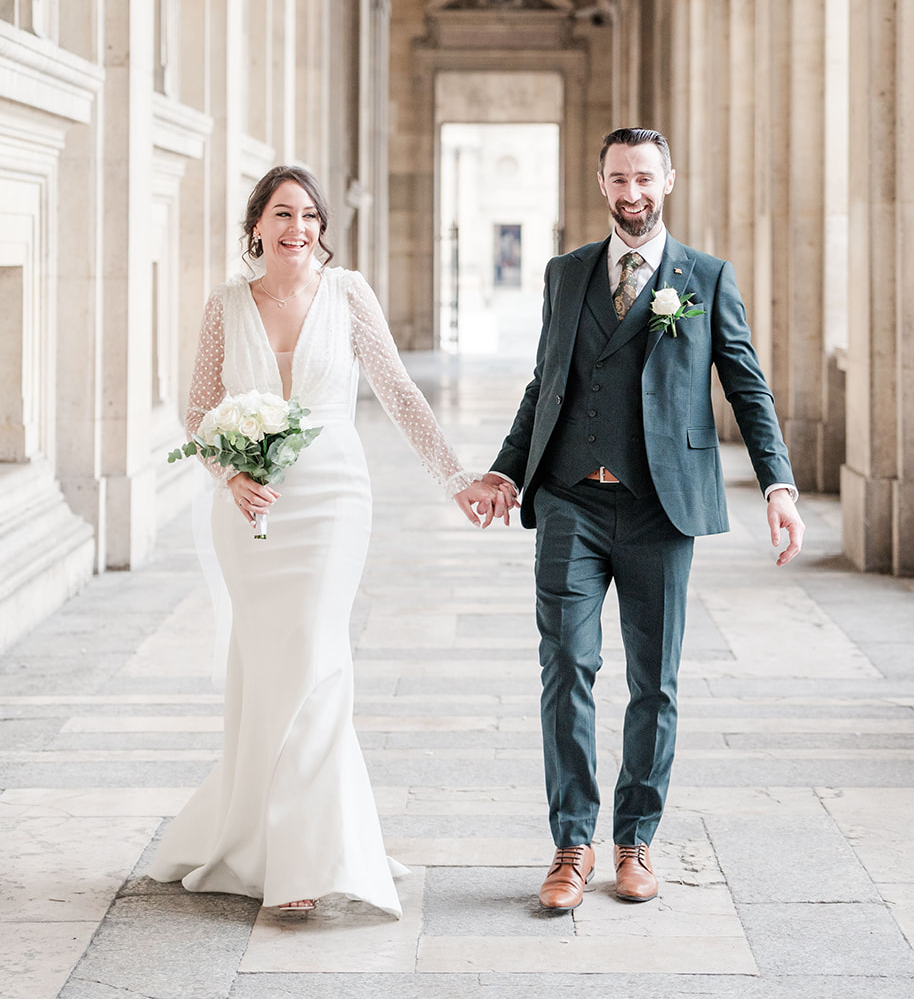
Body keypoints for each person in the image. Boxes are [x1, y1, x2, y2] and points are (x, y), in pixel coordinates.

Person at [150, 165, 508, 918]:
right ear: (256, 226)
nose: (298, 227)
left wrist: (456, 478)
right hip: (251, 510)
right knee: (264, 663)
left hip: (333, 500)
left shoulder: (347, 295)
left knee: (318, 656)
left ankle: (309, 861)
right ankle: (254, 834)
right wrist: (228, 476)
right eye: (283, 213)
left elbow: (399, 390)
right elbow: (196, 412)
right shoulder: (225, 305)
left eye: (309, 215)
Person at [487, 128, 805, 910]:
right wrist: (504, 465)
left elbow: (746, 386)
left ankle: (635, 843)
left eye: (644, 177)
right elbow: (545, 384)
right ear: (601, 182)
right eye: (618, 177)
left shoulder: (704, 276)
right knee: (565, 663)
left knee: (653, 683)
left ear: (668, 180)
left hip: (661, 507)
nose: (631, 192)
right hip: (569, 499)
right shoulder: (565, 275)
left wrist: (778, 486)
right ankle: (571, 843)